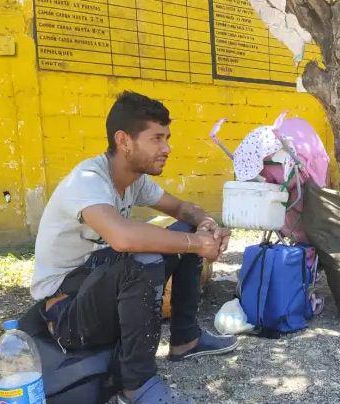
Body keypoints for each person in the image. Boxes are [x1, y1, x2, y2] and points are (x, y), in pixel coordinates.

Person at [30, 91, 237, 403]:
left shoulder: (134, 180)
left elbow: (182, 209)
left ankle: (186, 339)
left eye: (167, 137)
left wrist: (205, 224)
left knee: (180, 233)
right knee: (144, 256)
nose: (167, 148)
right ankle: (137, 384)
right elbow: (123, 238)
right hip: (64, 312)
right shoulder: (87, 180)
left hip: (98, 287)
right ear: (124, 140)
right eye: (156, 138)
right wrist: (198, 244)